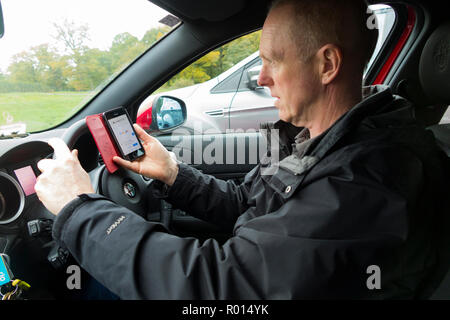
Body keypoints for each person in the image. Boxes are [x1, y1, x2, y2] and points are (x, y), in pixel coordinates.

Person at [35, 0, 450, 299]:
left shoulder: (369, 177)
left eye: (272, 60)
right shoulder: (320, 140)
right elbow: (248, 206)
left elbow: (227, 287)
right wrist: (174, 174)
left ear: (327, 65)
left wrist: (80, 209)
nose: (262, 77)